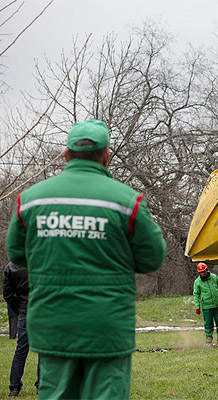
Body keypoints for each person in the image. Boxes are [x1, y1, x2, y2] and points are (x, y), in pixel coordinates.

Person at [5, 120, 166, 399]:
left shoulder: (31, 201)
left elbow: (17, 254)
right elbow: (152, 258)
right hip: (107, 328)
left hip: (54, 326)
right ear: (107, 156)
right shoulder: (127, 201)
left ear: (66, 155)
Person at [3, 262, 39, 397]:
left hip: (24, 310)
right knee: (43, 351)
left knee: (21, 350)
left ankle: (14, 387)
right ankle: (41, 385)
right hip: (40, 309)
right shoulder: (41, 263)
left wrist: (18, 308)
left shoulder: (11, 267)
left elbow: (7, 294)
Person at [193, 262, 218, 343]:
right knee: (208, 323)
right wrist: (197, 307)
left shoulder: (214, 277)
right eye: (201, 272)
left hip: (217, 304)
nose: (203, 273)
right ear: (199, 272)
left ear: (206, 270)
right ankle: (209, 338)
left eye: (204, 271)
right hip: (206, 307)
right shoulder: (197, 282)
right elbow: (196, 294)